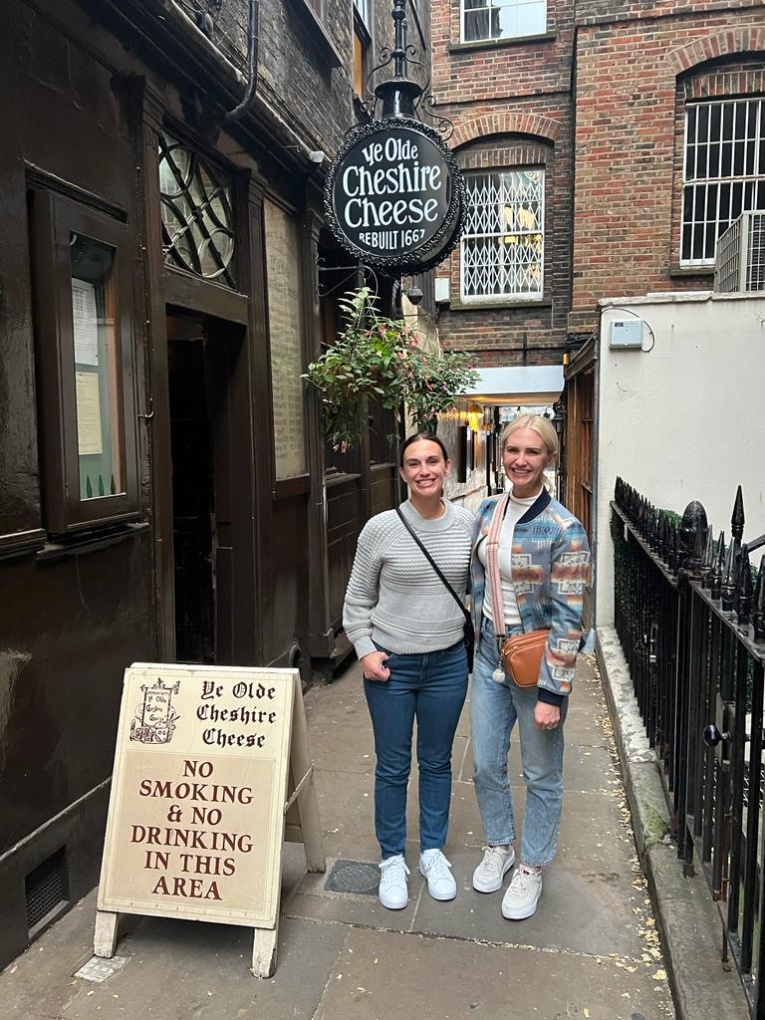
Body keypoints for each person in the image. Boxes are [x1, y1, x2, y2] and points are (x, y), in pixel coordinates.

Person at [343, 433, 474, 911]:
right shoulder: (380, 529)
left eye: (432, 461)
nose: (424, 471)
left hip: (447, 663)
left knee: (437, 762)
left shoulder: (468, 525)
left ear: (447, 466)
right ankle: (392, 858)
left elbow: (482, 588)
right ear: (402, 473)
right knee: (393, 765)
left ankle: (433, 852)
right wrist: (364, 649)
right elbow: (357, 600)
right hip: (391, 666)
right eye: (414, 464)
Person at [469, 414, 590, 920]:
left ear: (549, 458)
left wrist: (553, 693)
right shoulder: (487, 510)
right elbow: (476, 582)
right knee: (484, 764)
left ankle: (531, 866)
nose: (520, 460)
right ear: (502, 453)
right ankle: (499, 844)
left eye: (532, 452)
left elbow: (570, 616)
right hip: (487, 657)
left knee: (540, 772)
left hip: (536, 666)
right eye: (513, 450)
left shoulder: (563, 528)